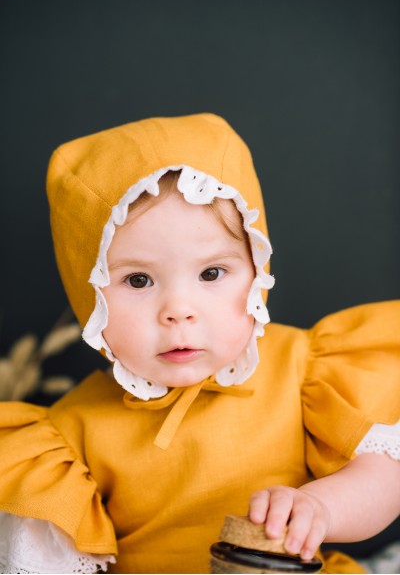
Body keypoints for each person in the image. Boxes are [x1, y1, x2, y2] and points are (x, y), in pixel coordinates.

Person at [0, 113, 399, 574]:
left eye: (211, 273)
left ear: (256, 271)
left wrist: (322, 508)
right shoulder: (69, 435)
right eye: (138, 279)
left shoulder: (305, 368)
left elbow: (384, 476)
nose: (178, 310)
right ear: (88, 294)